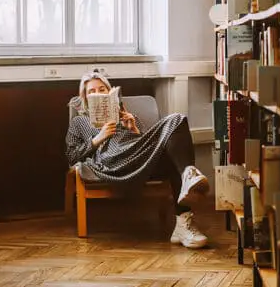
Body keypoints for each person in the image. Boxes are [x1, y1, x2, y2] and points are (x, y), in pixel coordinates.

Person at [66, 70, 211, 249]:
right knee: (175, 135)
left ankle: (183, 222)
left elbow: (144, 142)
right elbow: (71, 156)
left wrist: (133, 127)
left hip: (138, 157)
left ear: (109, 93)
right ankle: (188, 178)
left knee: (177, 121)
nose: (97, 93)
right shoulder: (79, 122)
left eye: (102, 89)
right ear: (85, 98)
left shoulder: (124, 114)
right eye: (91, 91)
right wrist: (98, 139)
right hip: (113, 161)